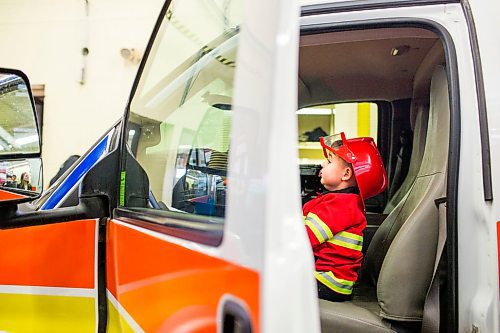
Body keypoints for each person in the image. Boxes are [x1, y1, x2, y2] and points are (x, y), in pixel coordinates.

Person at [303, 132, 387, 302]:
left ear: (346, 174)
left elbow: (303, 239)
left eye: (329, 160)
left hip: (327, 281)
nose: (322, 163)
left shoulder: (340, 205)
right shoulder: (345, 202)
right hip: (333, 281)